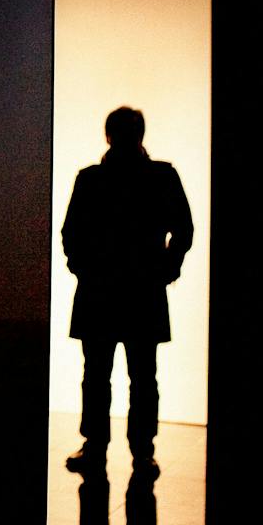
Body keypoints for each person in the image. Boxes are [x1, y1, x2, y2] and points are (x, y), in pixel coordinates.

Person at [60, 107, 194, 478]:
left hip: (100, 292)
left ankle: (96, 446)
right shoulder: (161, 177)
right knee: (142, 376)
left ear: (107, 136)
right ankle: (142, 452)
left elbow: (71, 235)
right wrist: (167, 268)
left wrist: (84, 269)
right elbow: (184, 230)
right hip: (142, 292)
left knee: (97, 375)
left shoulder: (90, 179)